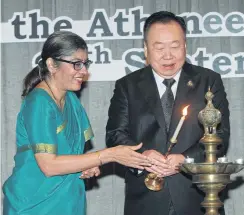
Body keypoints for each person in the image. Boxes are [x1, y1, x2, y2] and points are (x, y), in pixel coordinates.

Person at [2, 31, 152, 215]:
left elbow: (69, 157)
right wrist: (109, 155)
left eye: (85, 64)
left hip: (69, 202)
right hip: (35, 204)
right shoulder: (40, 102)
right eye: (76, 64)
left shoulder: (71, 100)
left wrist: (83, 166)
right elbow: (49, 165)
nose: (84, 71)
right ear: (51, 64)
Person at [106, 11, 230, 215]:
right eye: (159, 47)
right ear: (146, 49)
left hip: (198, 199)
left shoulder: (208, 81)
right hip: (145, 200)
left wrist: (185, 159)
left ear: (185, 46)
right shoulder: (127, 86)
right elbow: (115, 135)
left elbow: (220, 135)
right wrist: (142, 158)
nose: (168, 55)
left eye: (175, 46)